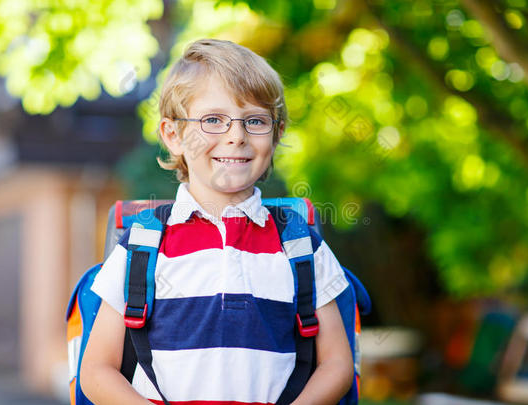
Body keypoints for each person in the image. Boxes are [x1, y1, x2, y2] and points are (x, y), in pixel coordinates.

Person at [80, 38, 353, 405]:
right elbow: (97, 370)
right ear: (172, 135)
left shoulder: (300, 244)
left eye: (255, 120)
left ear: (277, 134)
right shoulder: (142, 247)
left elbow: (337, 364)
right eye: (213, 120)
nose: (236, 136)